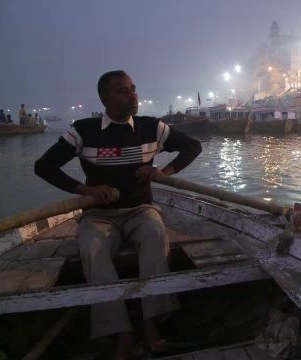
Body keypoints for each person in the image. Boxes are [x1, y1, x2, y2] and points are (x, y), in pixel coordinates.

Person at [34, 70, 202, 360]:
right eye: (123, 90)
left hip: (141, 209)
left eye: (133, 89)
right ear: (105, 98)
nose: (133, 95)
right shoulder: (84, 131)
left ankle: (152, 331)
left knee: (154, 233)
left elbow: (192, 147)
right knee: (90, 247)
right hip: (98, 214)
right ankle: (123, 337)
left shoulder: (151, 128)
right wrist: (85, 189)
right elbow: (44, 166)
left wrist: (162, 173)